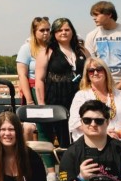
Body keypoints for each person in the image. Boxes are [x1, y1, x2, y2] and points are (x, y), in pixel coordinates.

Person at [35, 17, 87, 166]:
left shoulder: (82, 50)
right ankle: (66, 168)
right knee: (63, 136)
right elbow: (39, 79)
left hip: (80, 96)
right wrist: (42, 103)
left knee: (81, 131)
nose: (63, 32)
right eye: (59, 30)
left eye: (67, 29)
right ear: (54, 33)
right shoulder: (47, 51)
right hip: (57, 99)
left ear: (72, 31)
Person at [84, 1, 121, 107]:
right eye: (93, 15)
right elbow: (91, 64)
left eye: (97, 14)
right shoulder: (91, 35)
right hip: (100, 85)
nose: (94, 18)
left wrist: (119, 87)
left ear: (109, 14)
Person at [70, 57, 121, 145]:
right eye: (91, 71)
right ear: (87, 75)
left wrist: (119, 133)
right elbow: (75, 121)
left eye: (99, 69)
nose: (95, 73)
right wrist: (102, 133)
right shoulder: (81, 96)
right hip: (93, 139)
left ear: (106, 72)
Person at [16, 17, 50, 107]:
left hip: (51, 89)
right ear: (34, 32)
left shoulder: (53, 48)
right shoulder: (27, 48)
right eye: (42, 30)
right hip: (34, 90)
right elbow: (22, 75)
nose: (46, 33)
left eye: (48, 30)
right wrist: (29, 100)